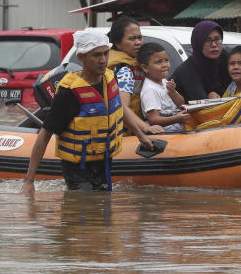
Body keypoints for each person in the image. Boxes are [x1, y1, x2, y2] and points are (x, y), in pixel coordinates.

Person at [21, 30, 151, 194]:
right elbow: (45, 133)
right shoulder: (70, 92)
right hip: (77, 167)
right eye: (96, 55)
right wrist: (29, 180)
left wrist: (140, 135)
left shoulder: (110, 78)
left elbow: (118, 110)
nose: (103, 60)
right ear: (81, 57)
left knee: (104, 213)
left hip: (104, 161)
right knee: (82, 211)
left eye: (105, 54)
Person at [106, 17, 164, 136]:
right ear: (117, 43)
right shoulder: (124, 70)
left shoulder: (134, 63)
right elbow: (122, 107)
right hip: (125, 135)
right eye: (132, 39)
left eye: (139, 37)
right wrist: (145, 128)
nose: (138, 42)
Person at [170, 20, 230, 101]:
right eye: (208, 40)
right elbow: (201, 102)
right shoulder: (188, 69)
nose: (214, 45)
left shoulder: (224, 58)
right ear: (198, 43)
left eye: (217, 39)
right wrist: (211, 98)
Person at [138, 42, 191, 132]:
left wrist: (172, 92)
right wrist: (176, 119)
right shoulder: (150, 90)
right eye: (159, 62)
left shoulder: (164, 81)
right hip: (167, 131)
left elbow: (181, 103)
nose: (165, 65)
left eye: (166, 60)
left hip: (177, 126)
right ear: (145, 68)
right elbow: (153, 119)